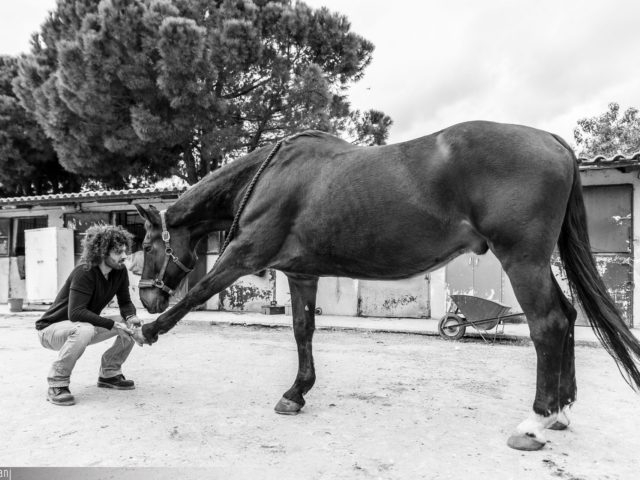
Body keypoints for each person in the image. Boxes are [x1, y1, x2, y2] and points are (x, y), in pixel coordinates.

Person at [36, 225, 143, 406]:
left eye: (125, 250)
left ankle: (109, 374)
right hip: (51, 330)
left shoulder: (119, 271)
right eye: (118, 252)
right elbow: (76, 312)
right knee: (85, 329)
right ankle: (57, 383)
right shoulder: (84, 272)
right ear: (102, 252)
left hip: (83, 327)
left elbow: (125, 302)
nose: (124, 256)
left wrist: (132, 317)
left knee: (130, 324)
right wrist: (113, 325)